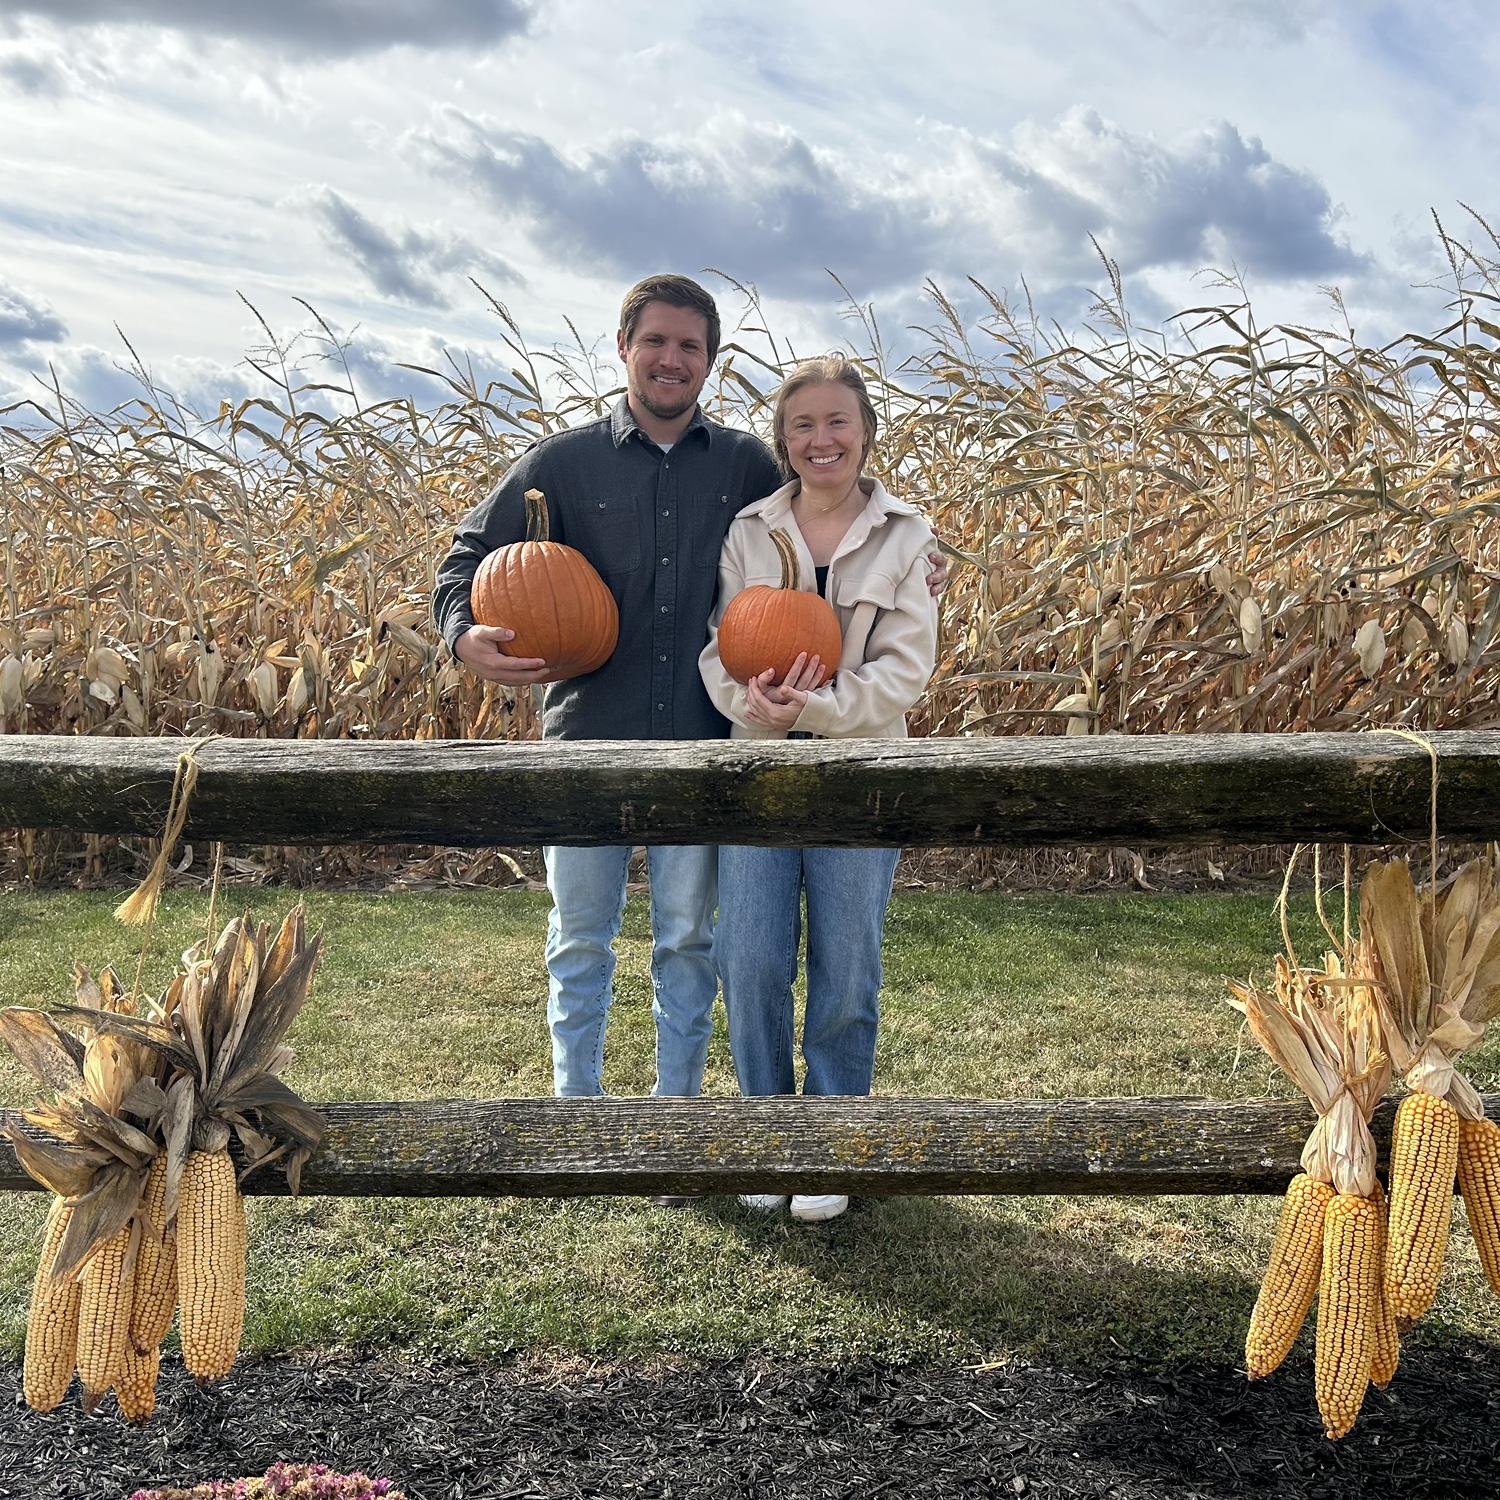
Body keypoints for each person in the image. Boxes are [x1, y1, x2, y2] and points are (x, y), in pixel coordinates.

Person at [432, 277, 947, 1201]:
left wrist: (926, 557)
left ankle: (679, 1130)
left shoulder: (745, 467)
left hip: (709, 748)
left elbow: (830, 503)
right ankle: (578, 1124)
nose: (672, 360)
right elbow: (468, 557)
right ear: (624, 346)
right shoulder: (561, 463)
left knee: (687, 943)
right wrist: (461, 630)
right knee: (580, 940)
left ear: (710, 362)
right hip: (591, 736)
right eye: (657, 342)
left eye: (691, 347)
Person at [698, 355, 939, 1224]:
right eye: (802, 425)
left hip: (860, 779)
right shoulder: (751, 530)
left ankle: (832, 1143)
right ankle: (768, 1138)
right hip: (759, 772)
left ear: (865, 432)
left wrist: (819, 708)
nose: (821, 439)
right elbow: (721, 647)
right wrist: (755, 705)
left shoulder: (907, 536)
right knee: (750, 957)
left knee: (846, 966)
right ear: (784, 440)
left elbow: (906, 671)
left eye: (838, 421)